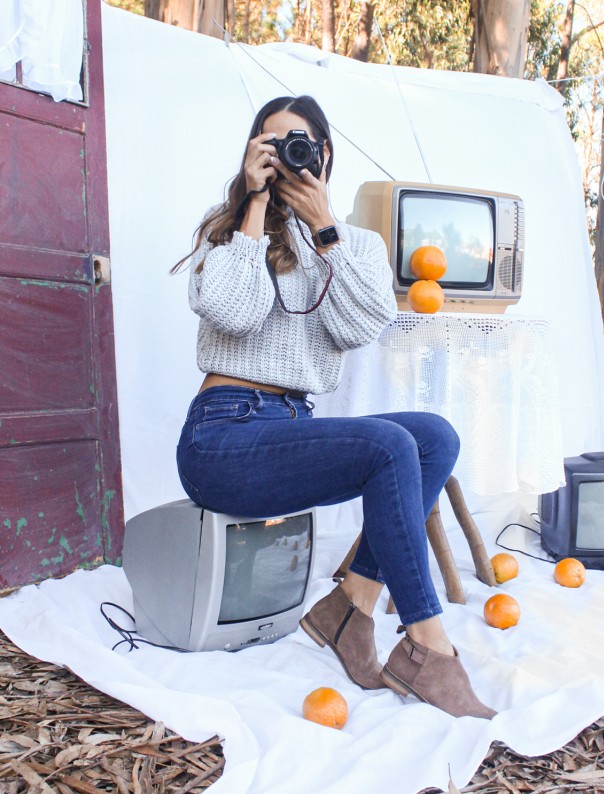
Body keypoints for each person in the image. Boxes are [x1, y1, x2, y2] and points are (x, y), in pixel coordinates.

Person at [173, 95, 495, 720]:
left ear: (322, 155)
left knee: (433, 435)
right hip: (221, 437)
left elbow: (362, 325)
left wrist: (325, 234)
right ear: (251, 154)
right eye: (270, 144)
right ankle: (429, 649)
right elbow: (235, 313)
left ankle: (352, 606)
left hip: (294, 427)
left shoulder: (356, 245)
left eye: (299, 145)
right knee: (389, 445)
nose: (286, 157)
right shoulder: (224, 232)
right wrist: (254, 207)